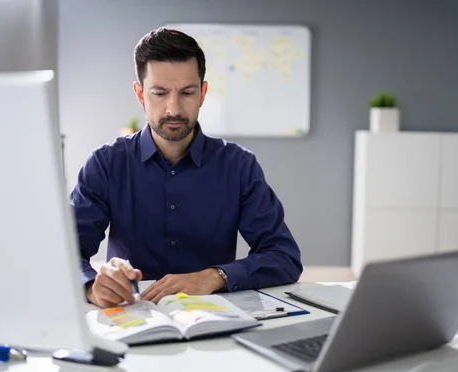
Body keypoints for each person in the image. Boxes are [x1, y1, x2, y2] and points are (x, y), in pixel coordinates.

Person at [71, 27, 302, 308]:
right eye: (159, 92)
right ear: (140, 93)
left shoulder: (239, 165)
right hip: (131, 314)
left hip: (212, 315)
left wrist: (215, 276)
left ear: (203, 93)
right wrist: (91, 286)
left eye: (187, 92)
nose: (173, 108)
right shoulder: (105, 163)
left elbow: (284, 256)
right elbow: (65, 252)